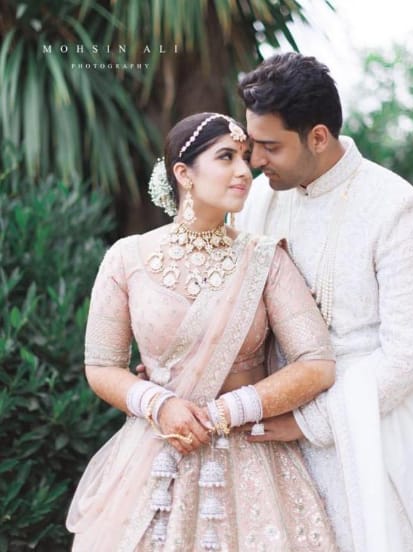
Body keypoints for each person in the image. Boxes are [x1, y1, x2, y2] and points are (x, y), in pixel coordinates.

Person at [66, 112, 338, 551]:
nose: (243, 171)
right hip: (153, 450)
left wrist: (228, 410)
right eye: (226, 157)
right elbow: (100, 366)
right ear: (183, 174)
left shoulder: (265, 260)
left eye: (246, 158)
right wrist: (160, 404)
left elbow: (317, 364)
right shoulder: (126, 258)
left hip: (249, 458)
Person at [236, 52, 413, 552]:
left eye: (270, 147)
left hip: (372, 445)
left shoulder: (396, 207)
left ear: (318, 136)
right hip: (267, 436)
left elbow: (407, 356)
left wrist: (305, 423)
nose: (255, 161)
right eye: (253, 145)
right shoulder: (258, 198)